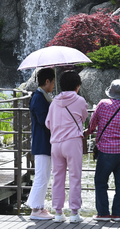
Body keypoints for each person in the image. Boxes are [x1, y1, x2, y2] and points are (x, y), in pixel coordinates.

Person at [85, 79, 120, 222]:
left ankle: (103, 213)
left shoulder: (103, 104)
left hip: (107, 151)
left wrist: (88, 132)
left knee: (101, 181)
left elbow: (92, 124)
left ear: (111, 92)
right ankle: (117, 214)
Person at [45, 70, 88, 223]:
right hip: (72, 142)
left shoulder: (54, 101)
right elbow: (83, 117)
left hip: (56, 144)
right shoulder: (80, 100)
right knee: (75, 177)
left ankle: (58, 212)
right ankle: (75, 213)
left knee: (57, 178)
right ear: (77, 86)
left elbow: (48, 123)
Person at [26, 67, 55, 220]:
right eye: (53, 82)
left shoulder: (42, 96)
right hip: (42, 141)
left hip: (44, 142)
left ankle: (39, 206)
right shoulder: (38, 98)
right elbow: (44, 121)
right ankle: (36, 209)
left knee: (43, 175)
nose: (54, 85)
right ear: (47, 81)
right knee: (41, 176)